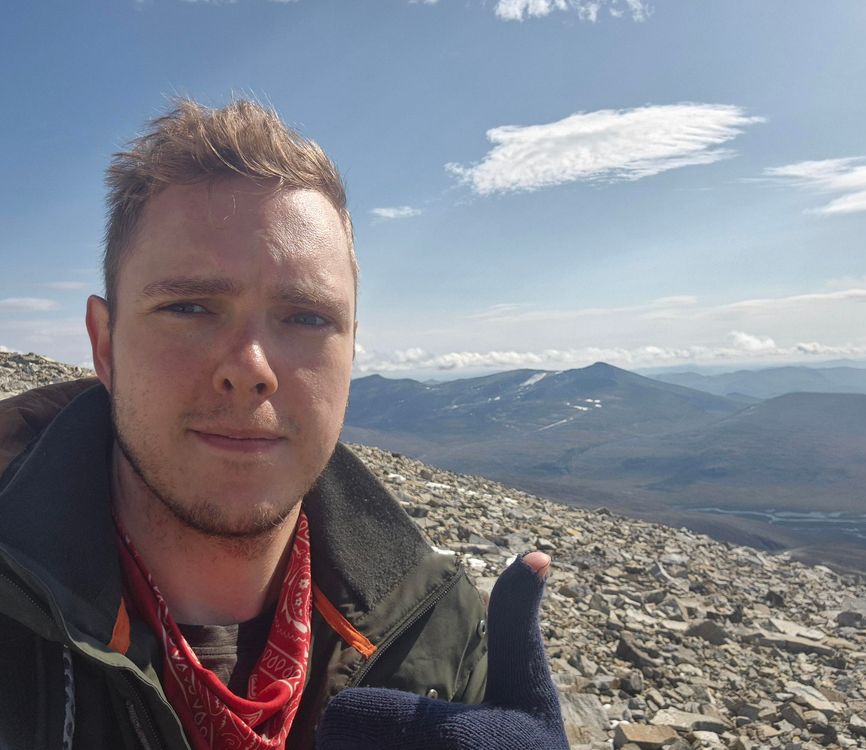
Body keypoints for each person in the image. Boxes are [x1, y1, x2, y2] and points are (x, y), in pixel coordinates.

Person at [0, 99, 569, 749]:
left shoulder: (437, 627)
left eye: (306, 318)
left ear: (350, 352)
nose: (250, 369)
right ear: (105, 346)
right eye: (188, 306)